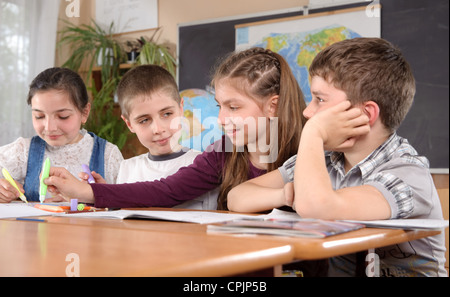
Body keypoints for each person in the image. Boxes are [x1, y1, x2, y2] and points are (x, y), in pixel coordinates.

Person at [228, 38, 447, 277]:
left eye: (320, 99)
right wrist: (283, 194)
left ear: (365, 114)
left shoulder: (407, 173)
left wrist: (314, 131)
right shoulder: (326, 160)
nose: (307, 112)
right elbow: (237, 197)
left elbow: (317, 207)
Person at [44, 47, 307, 210]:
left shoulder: (309, 148)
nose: (222, 119)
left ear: (273, 106)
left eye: (234, 108)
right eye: (219, 107)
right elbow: (166, 190)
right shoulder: (223, 153)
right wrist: (86, 193)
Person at [87, 64, 217, 209]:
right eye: (144, 120)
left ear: (181, 109)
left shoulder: (204, 166)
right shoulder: (127, 169)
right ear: (129, 124)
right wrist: (105, 196)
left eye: (167, 114)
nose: (158, 129)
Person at [0, 67, 123, 203]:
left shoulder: (108, 155)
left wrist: (105, 195)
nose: (49, 127)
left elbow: (129, 205)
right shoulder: (22, 151)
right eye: (39, 116)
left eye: (63, 116)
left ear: (84, 113)